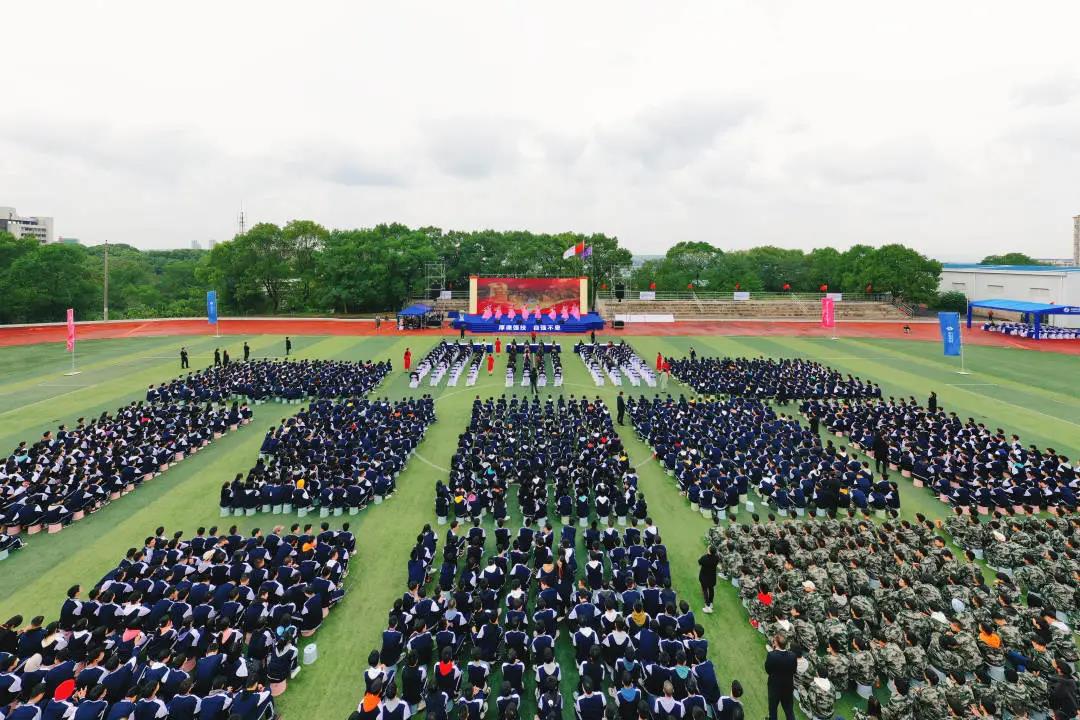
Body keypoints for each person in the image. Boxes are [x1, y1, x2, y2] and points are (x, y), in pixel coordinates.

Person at [764, 634, 797, 720]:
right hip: (788, 687)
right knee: (789, 711)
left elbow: (768, 670)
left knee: (773, 710)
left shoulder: (771, 655)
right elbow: (794, 671)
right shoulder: (793, 656)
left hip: (774, 687)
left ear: (776, 643)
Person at [698, 546, 718, 614]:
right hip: (712, 577)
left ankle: (707, 606)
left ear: (709, 551)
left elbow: (699, 562)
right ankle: (711, 602)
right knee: (711, 589)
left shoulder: (705, 558)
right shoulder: (717, 558)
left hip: (704, 577)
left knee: (705, 590)